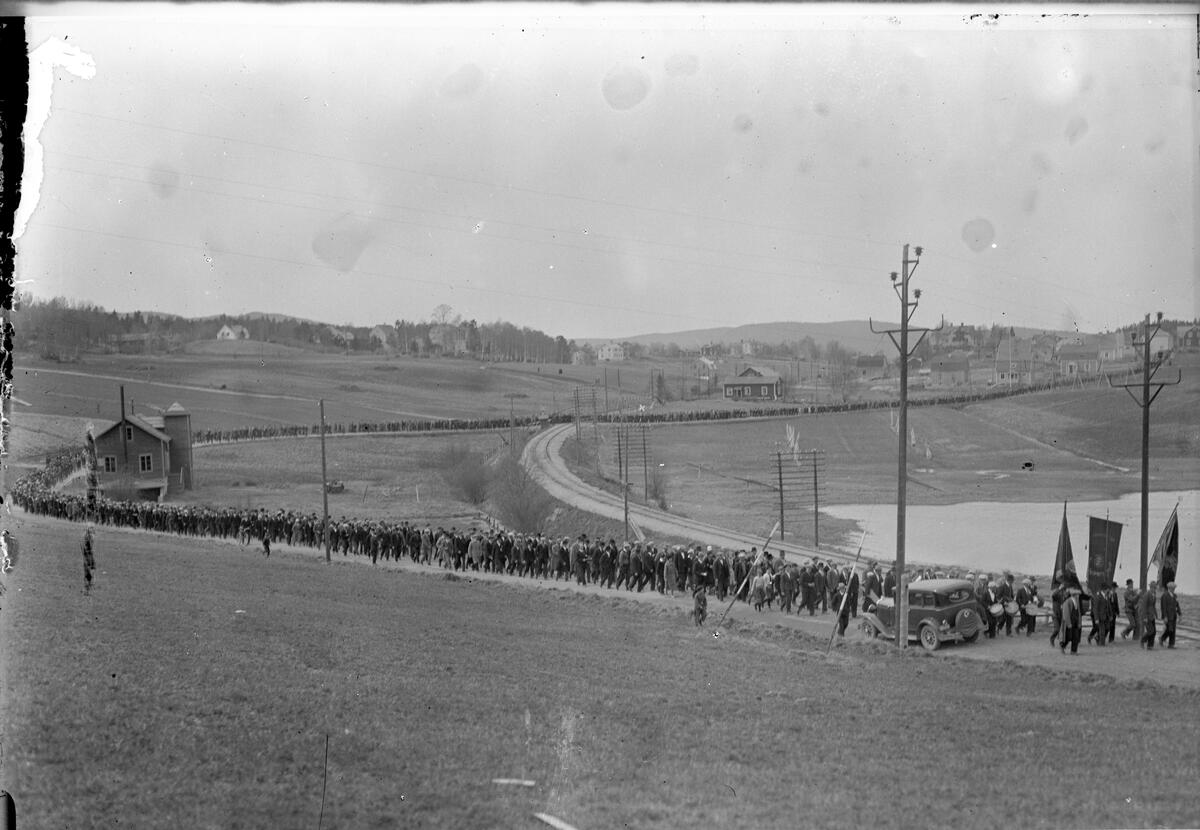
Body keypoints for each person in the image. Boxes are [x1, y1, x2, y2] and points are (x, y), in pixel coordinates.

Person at [1060, 587, 1083, 655]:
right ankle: (1062, 646)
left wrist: (1079, 622)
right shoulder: (1068, 602)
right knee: (1068, 636)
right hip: (1069, 622)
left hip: (1075, 622)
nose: (1078, 596)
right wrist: (1068, 623)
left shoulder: (1077, 602)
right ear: (1074, 595)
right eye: (1077, 594)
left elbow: (1078, 613)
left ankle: (1073, 651)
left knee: (1075, 637)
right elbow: (1066, 613)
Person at [1159, 582, 1180, 649]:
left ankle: (1171, 644)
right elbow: (1163, 607)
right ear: (1169, 588)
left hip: (1173, 616)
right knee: (1169, 629)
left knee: (1173, 630)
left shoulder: (1175, 595)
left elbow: (1177, 605)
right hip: (1167, 616)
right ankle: (1162, 638)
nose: (1174, 589)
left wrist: (1180, 613)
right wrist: (1165, 616)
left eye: (1174, 588)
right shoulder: (1164, 595)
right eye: (1173, 588)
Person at [1138, 582, 1159, 650]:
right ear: (1151, 588)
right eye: (1154, 588)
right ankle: (1142, 640)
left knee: (1154, 631)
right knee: (1150, 631)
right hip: (1147, 616)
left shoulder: (1154, 594)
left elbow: (1153, 605)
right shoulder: (1147, 594)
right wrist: (1145, 617)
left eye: (1155, 588)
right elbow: (1144, 606)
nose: (1155, 589)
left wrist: (1156, 614)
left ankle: (1150, 646)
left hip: (1152, 615)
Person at [81, 525, 96, 595]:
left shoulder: (87, 537)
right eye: (91, 530)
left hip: (89, 555)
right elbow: (83, 546)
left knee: (90, 571)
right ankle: (86, 589)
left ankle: (87, 588)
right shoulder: (87, 537)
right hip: (88, 556)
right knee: (88, 573)